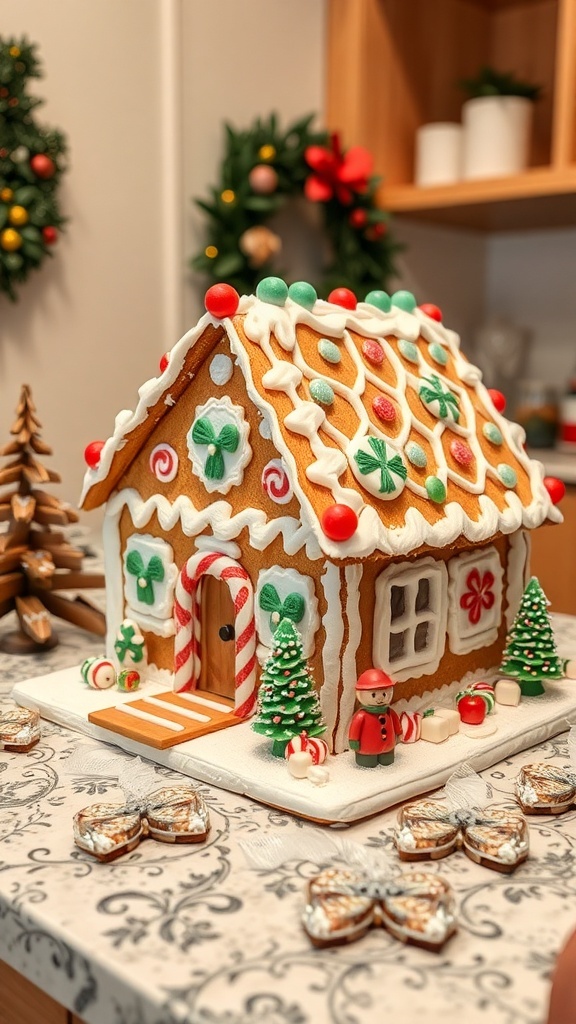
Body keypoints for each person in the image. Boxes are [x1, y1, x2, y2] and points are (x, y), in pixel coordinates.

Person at [348, 668, 401, 768]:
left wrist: (399, 733)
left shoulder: (389, 712)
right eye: (373, 694)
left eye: (384, 694)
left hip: (388, 747)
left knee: (387, 760)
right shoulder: (361, 716)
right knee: (368, 763)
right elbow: (355, 729)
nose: (380, 698)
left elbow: (396, 723)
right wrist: (353, 741)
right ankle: (367, 760)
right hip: (367, 749)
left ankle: (385, 757)